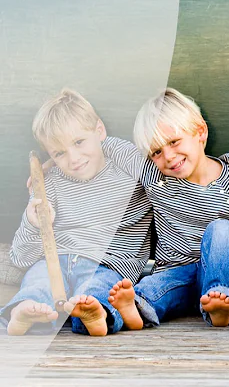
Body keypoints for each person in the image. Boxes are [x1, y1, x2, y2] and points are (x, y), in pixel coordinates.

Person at [102, 88, 229, 328]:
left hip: (219, 275)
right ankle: (133, 310)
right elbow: (109, 146)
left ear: (200, 132)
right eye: (156, 152)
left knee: (223, 230)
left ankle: (218, 304)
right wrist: (54, 161)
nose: (168, 156)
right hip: (175, 274)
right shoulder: (154, 175)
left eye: (174, 142)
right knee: (151, 288)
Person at [1, 89, 153, 336]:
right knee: (37, 280)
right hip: (56, 260)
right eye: (59, 153)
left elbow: (153, 167)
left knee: (101, 288)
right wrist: (32, 223)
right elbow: (20, 258)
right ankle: (24, 309)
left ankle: (94, 313)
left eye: (79, 142)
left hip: (108, 262)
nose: (73, 159)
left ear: (100, 131)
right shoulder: (49, 182)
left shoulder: (125, 167)